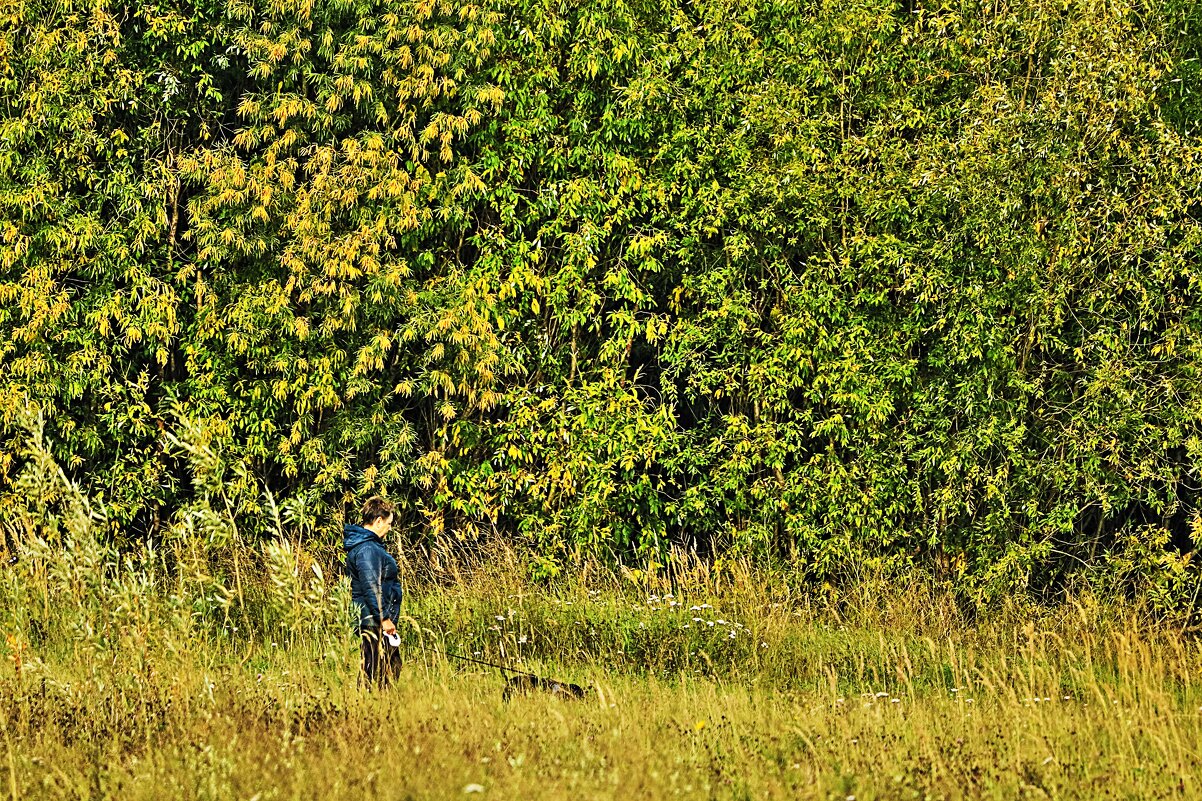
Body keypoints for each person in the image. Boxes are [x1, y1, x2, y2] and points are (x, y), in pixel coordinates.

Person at [343, 495, 403, 687]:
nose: (390, 528)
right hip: (372, 620)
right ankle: (370, 711)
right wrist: (384, 618)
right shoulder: (368, 549)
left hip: (373, 619)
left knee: (386, 666)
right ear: (378, 521)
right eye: (389, 523)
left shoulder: (370, 546)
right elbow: (371, 586)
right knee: (376, 670)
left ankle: (377, 708)